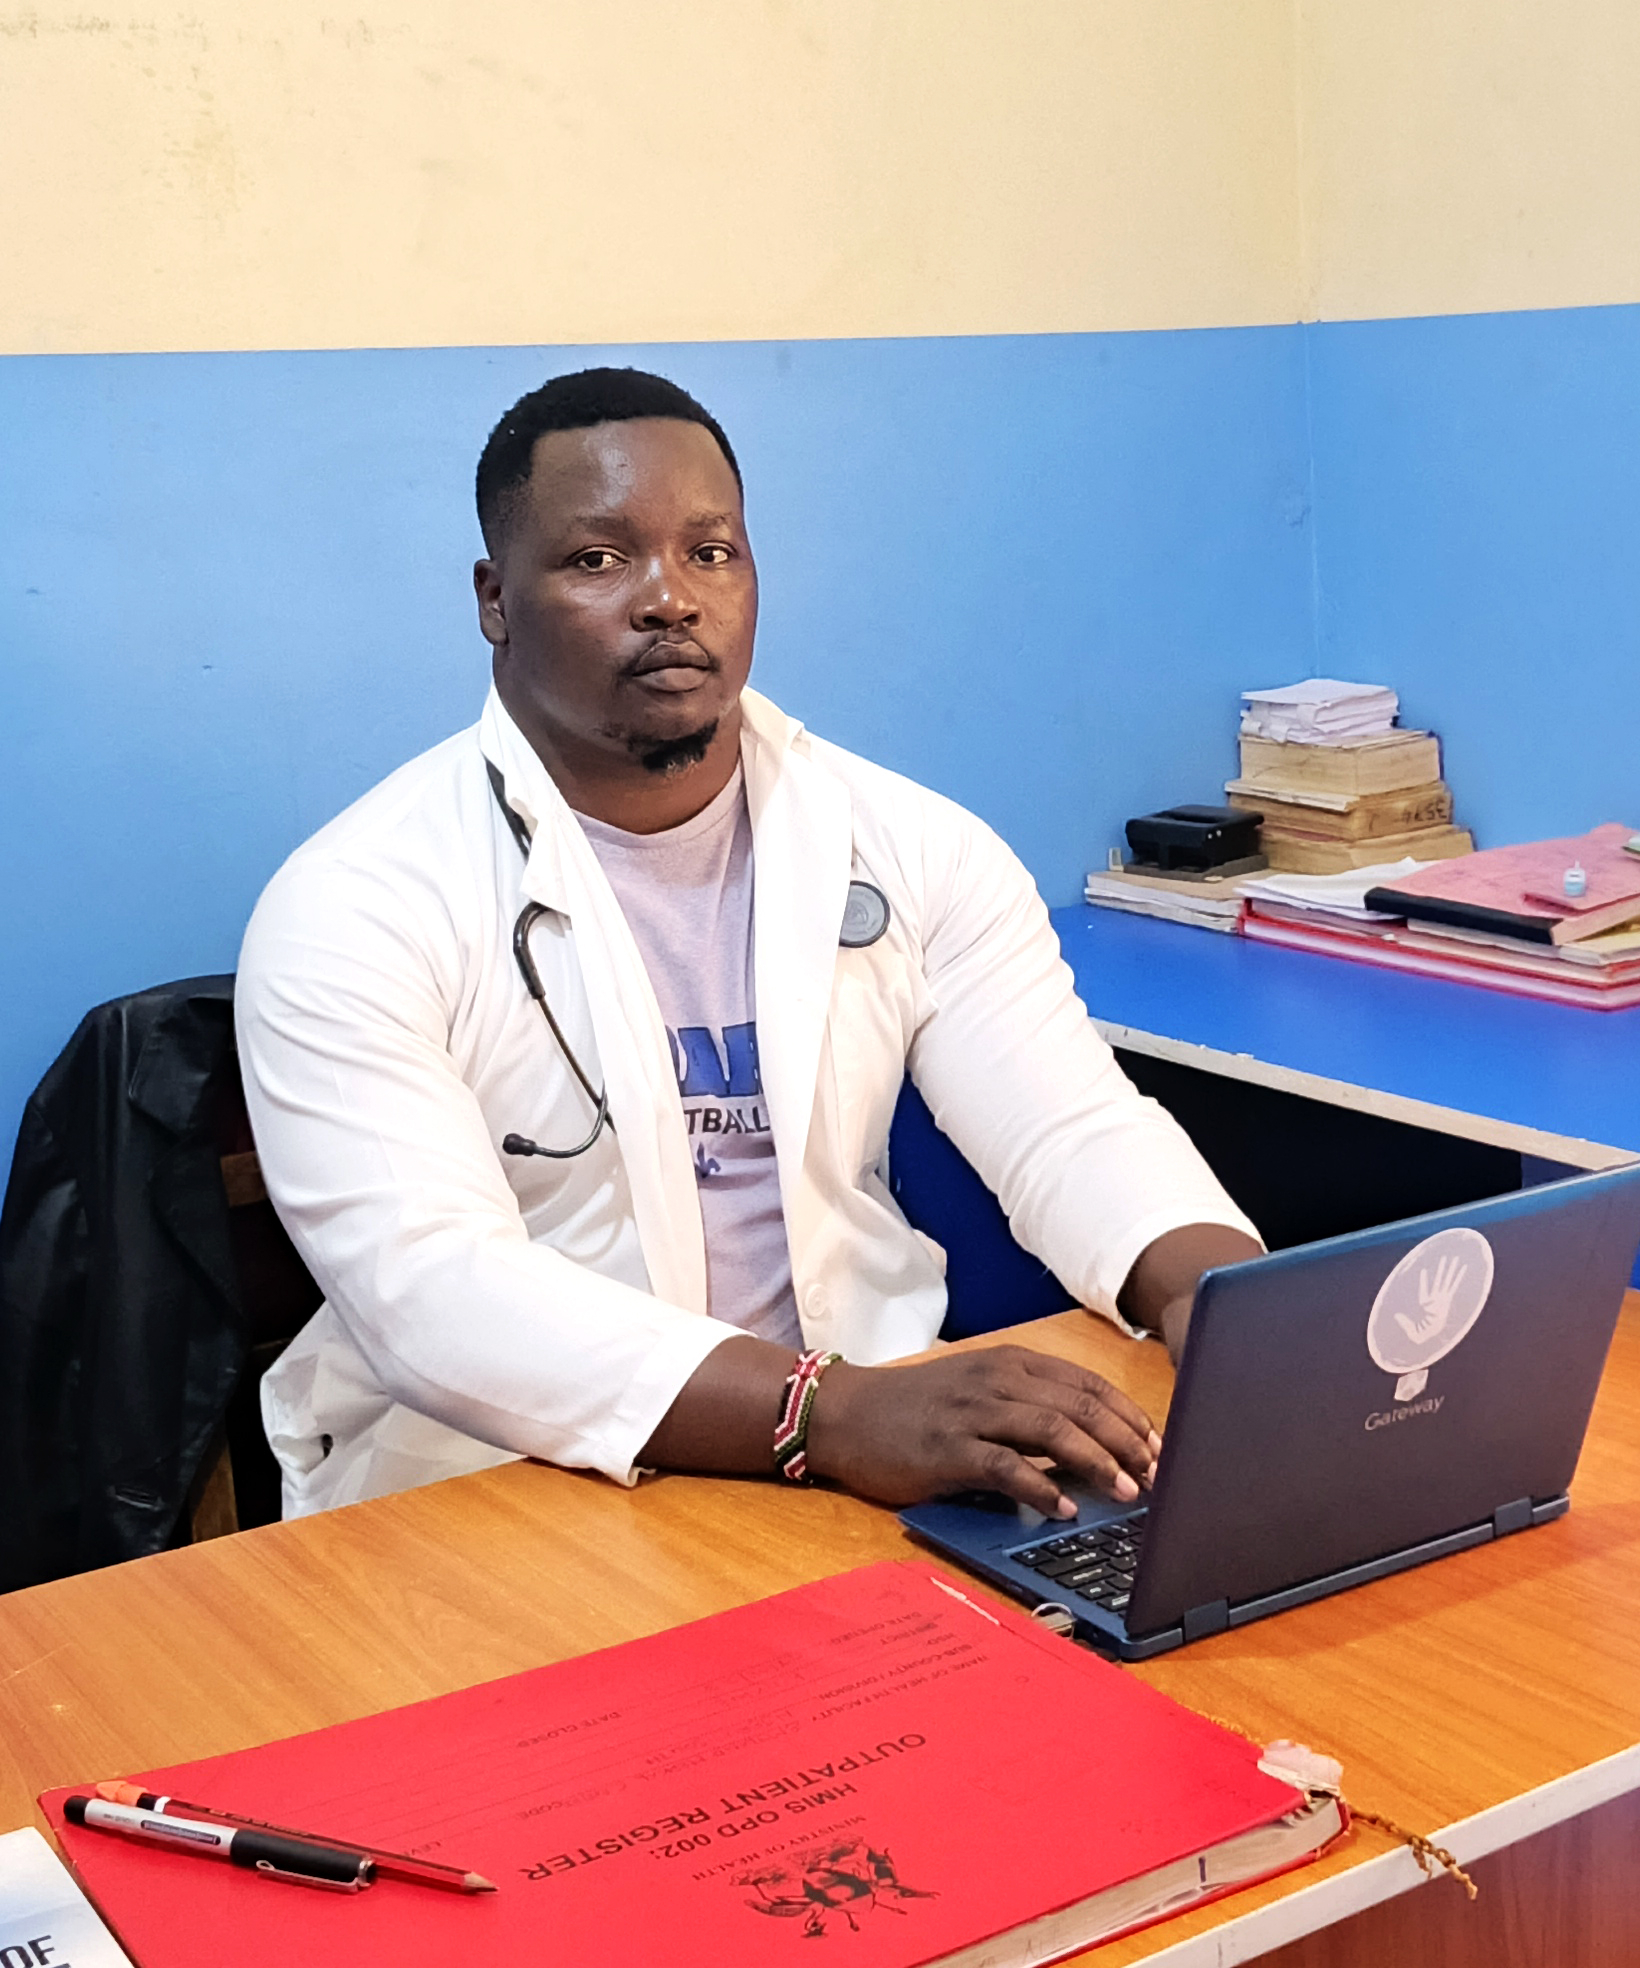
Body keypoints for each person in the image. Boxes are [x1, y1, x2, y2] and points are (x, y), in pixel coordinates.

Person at [237, 367, 1260, 1522]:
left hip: (864, 1455)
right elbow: (430, 1292)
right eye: (598, 559)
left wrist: (1236, 1310)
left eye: (710, 552)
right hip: (501, 1487)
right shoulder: (354, 904)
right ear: (494, 599)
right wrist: (823, 1412)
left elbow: (1067, 1130)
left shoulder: (910, 844)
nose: (669, 598)